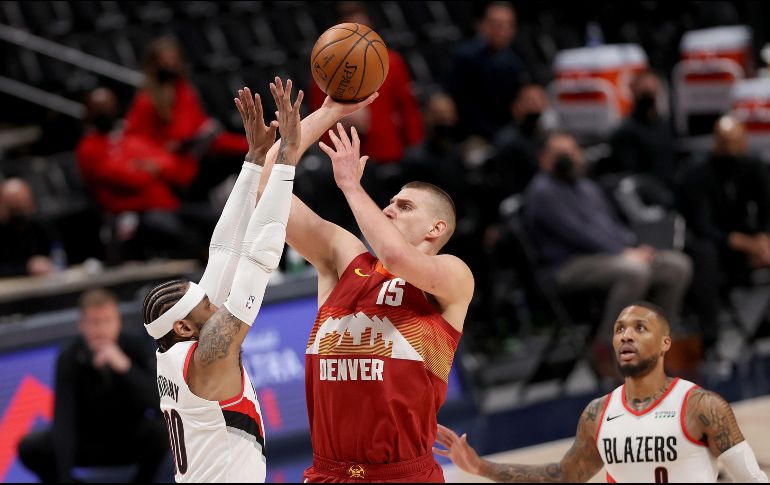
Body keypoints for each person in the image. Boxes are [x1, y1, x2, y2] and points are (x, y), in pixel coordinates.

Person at [262, 85, 473, 480]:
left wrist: (351, 186)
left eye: (404, 206)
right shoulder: (345, 259)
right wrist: (327, 114)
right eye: (389, 202)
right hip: (328, 472)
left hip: (402, 474)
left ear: (436, 228)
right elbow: (264, 190)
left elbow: (397, 257)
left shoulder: (453, 275)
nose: (389, 209)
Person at [139, 80, 304, 482]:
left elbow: (224, 252)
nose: (215, 301)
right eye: (206, 303)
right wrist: (287, 159)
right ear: (184, 326)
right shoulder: (209, 355)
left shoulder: (177, 347)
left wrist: (254, 159)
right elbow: (258, 259)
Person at [434, 302, 769, 483]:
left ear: (665, 343)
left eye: (640, 328)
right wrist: (480, 467)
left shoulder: (702, 406)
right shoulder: (598, 413)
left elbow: (752, 479)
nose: (626, 336)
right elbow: (563, 476)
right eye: (619, 329)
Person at [524, 132, 692, 348]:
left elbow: (611, 224)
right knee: (635, 271)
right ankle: (609, 348)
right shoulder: (542, 192)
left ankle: (654, 343)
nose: (570, 158)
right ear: (544, 159)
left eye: (572, 151)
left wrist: (634, 246)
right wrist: (622, 252)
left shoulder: (586, 187)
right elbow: (579, 234)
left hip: (608, 255)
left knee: (676, 266)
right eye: (561, 153)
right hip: (567, 264)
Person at [17, 288, 166, 483]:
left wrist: (125, 368)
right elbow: (63, 420)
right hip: (86, 441)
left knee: (164, 432)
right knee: (30, 447)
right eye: (95, 322)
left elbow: (160, 404)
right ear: (82, 325)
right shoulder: (69, 357)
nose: (102, 329)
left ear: (118, 322)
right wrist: (64, 478)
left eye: (108, 321)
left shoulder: (136, 348)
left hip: (128, 438)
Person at [77, 87, 212, 262]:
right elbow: (129, 179)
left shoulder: (130, 139)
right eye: (100, 108)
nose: (106, 112)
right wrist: (148, 169)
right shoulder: (88, 148)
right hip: (133, 212)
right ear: (89, 112)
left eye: (109, 106)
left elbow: (172, 166)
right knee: (171, 228)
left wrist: (149, 167)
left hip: (168, 205)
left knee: (213, 217)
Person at [678, 116, 770, 351]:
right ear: (715, 142)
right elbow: (702, 224)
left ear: (745, 142)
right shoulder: (697, 173)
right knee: (705, 253)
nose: (731, 149)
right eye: (725, 143)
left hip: (744, 235)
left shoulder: (753, 166)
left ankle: (763, 325)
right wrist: (744, 243)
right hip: (711, 239)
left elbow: (766, 206)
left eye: (736, 142)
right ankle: (710, 337)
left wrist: (763, 237)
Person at [125, 36, 249, 201]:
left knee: (246, 159)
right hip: (174, 171)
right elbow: (135, 141)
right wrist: (165, 152)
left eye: (174, 60)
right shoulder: (146, 100)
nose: (171, 65)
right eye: (165, 61)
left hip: (193, 161)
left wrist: (251, 145)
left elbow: (206, 132)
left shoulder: (186, 92)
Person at [444, 1, 531, 141]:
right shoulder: (466, 57)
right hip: (473, 133)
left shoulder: (516, 57)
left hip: (509, 129)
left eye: (509, 25)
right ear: (483, 25)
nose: (504, 30)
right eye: (498, 25)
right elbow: (464, 106)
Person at [608, 71, 679, 188]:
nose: (650, 97)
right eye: (645, 93)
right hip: (646, 190)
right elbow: (633, 173)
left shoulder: (668, 126)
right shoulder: (625, 131)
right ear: (633, 91)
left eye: (652, 91)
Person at [0, 178, 57, 277]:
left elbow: (57, 255)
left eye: (23, 201)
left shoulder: (41, 226)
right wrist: (26, 268)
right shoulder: (4, 231)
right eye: (13, 206)